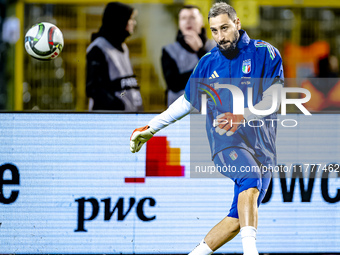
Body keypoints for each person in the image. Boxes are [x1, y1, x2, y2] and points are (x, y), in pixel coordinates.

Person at [130, 2, 283, 255]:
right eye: (214, 31)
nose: (220, 37)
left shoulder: (265, 53)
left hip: (263, 147)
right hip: (226, 142)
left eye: (224, 28)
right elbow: (187, 102)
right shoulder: (207, 63)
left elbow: (275, 98)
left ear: (237, 24)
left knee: (237, 219)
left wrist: (242, 115)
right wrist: (151, 128)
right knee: (249, 179)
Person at [86, 2, 143, 111]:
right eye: (131, 19)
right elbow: (94, 89)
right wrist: (119, 107)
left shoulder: (123, 47)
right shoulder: (98, 49)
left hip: (127, 118)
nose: (134, 23)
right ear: (120, 20)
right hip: (110, 120)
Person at [162, 5, 215, 106]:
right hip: (180, 113)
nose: (188, 22)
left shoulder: (216, 47)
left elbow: (222, 75)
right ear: (179, 23)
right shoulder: (170, 50)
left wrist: (200, 51)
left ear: (202, 22)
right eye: (183, 18)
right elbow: (174, 84)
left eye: (192, 18)